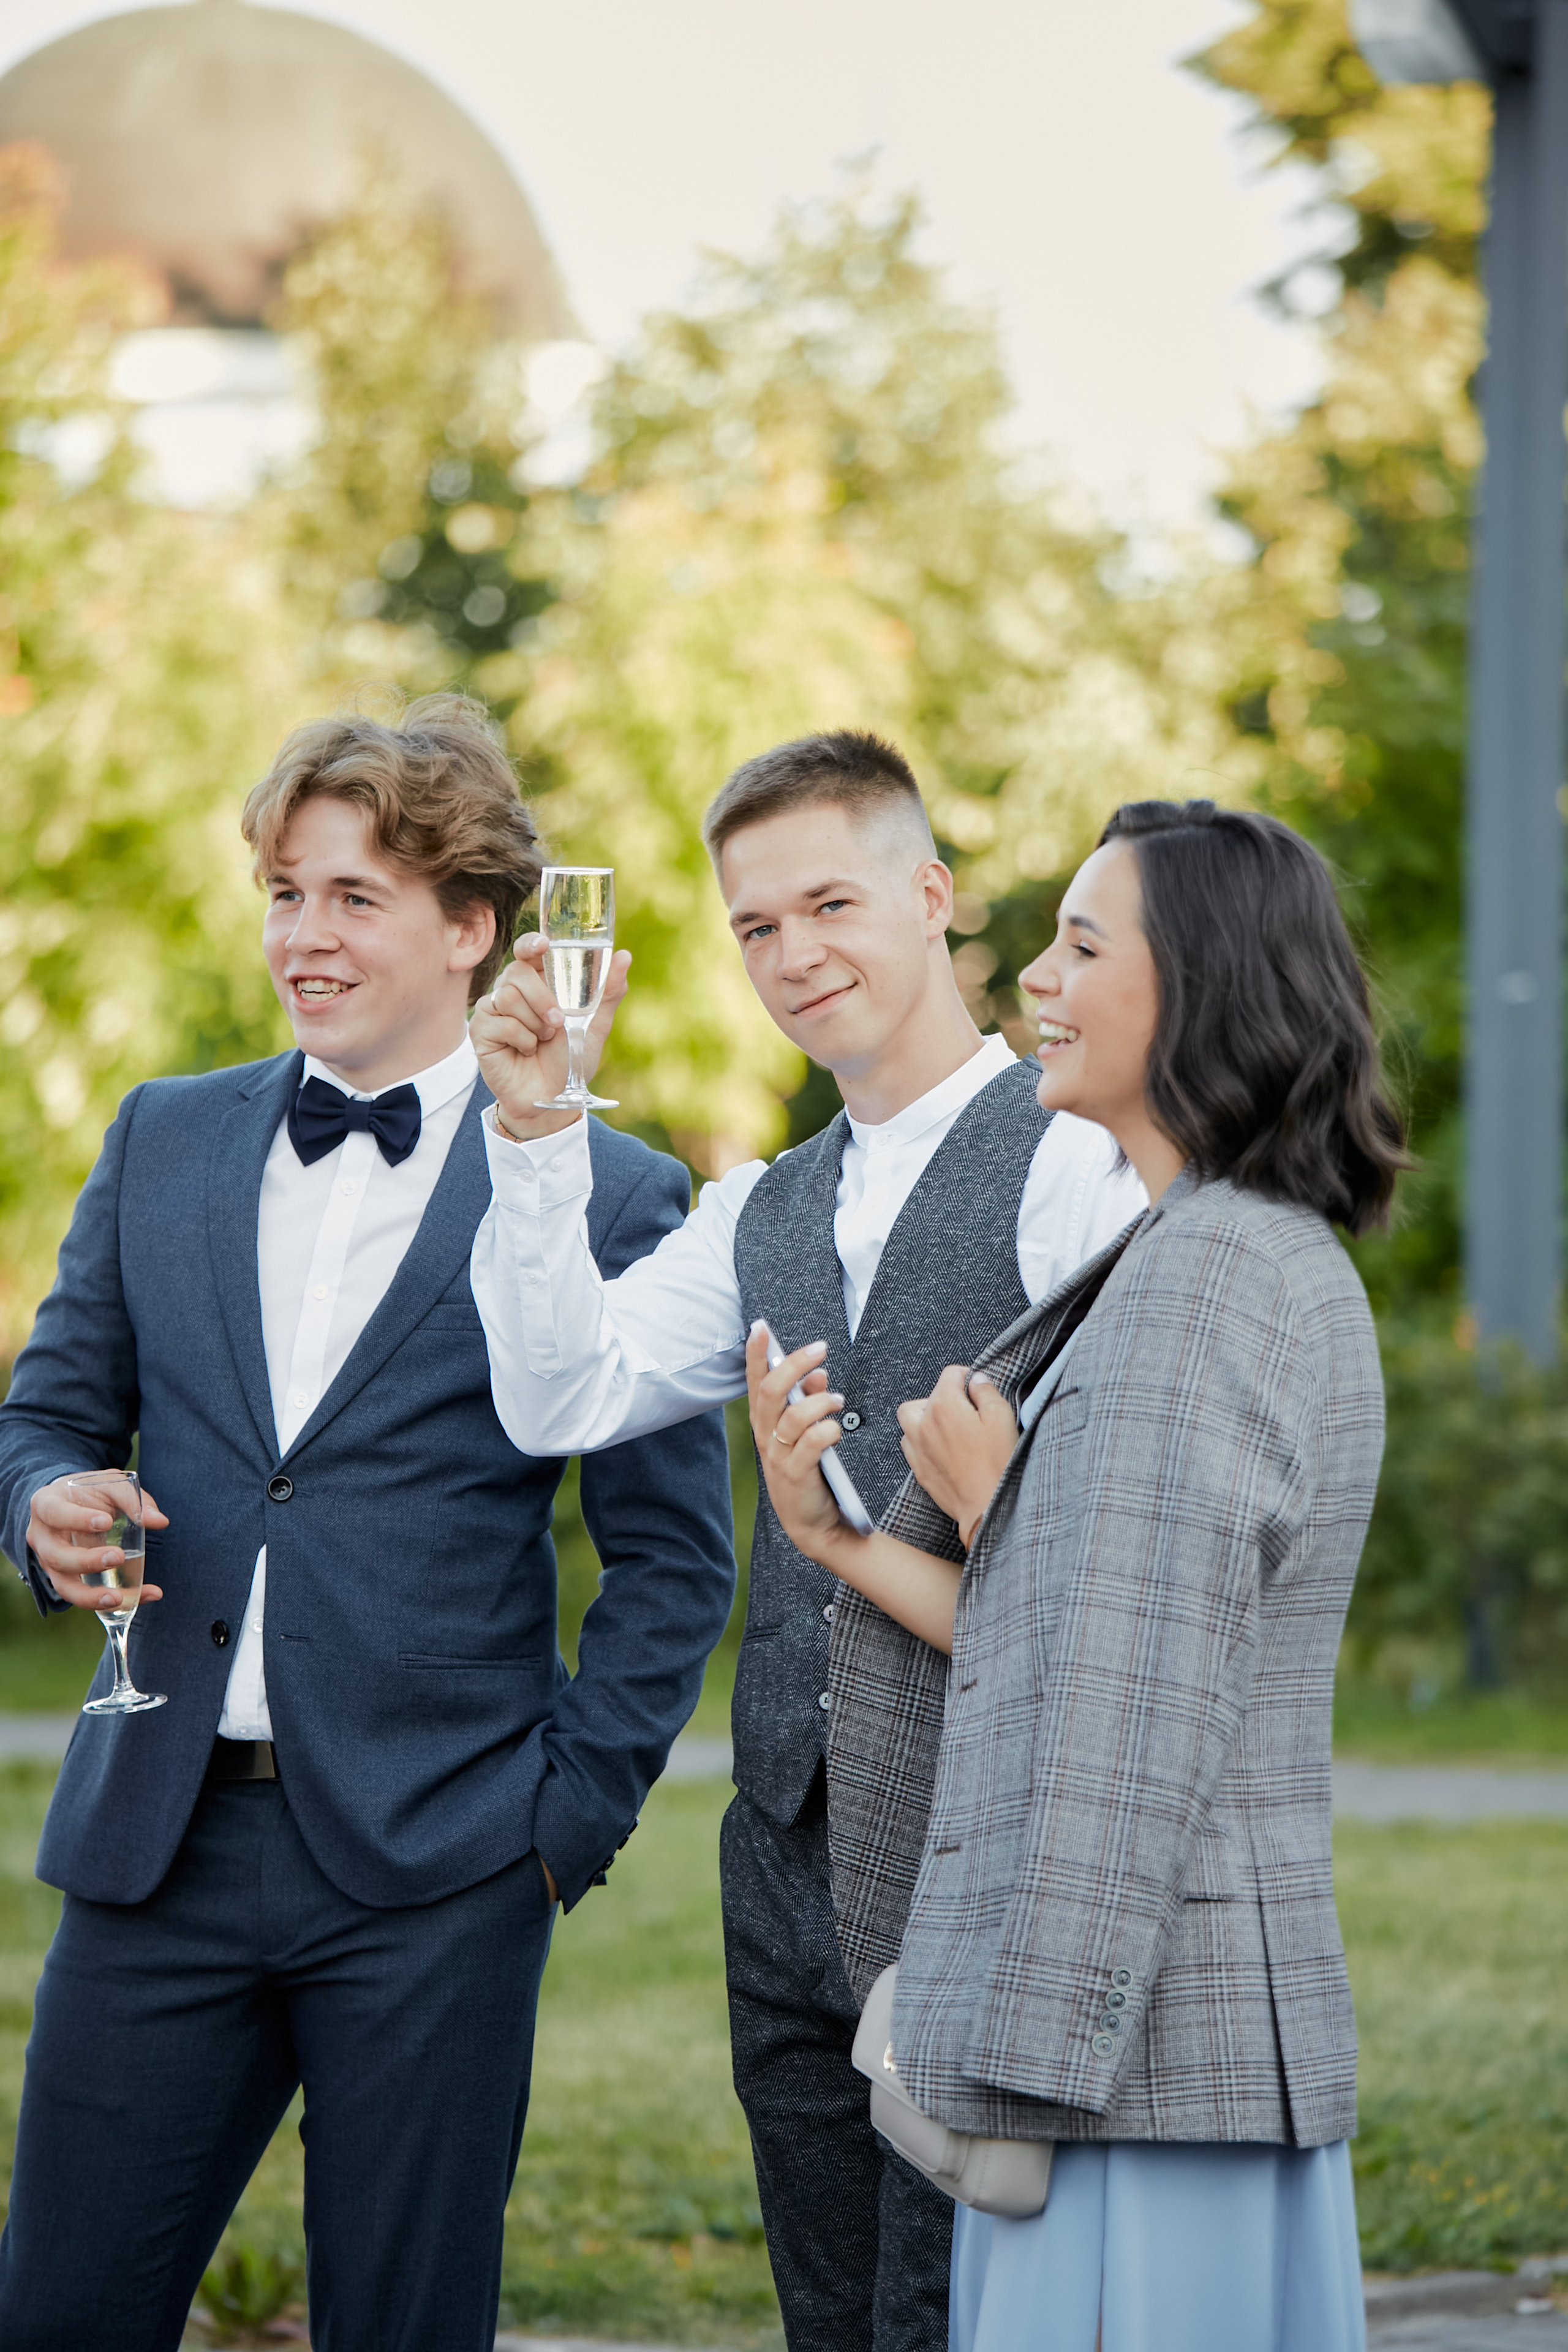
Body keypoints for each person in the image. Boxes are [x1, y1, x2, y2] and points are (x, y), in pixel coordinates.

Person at [0, 696, 736, 2352]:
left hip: (442, 1872)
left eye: (353, 898)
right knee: (56, 2316)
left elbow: (676, 1562)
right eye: (282, 893)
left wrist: (555, 1833)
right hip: (154, 1851)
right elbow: (45, 1411)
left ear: (472, 928)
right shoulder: (161, 1136)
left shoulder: (611, 1195)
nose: (303, 936)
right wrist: (40, 1499)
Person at [467, 729, 1145, 2352]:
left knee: (961, 2314)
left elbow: (1115, 1556)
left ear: (931, 896)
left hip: (988, 1860)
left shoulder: (1078, 1171)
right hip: (780, 1863)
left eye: (828, 903)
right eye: (754, 926)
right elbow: (561, 1396)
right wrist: (542, 1139)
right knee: (833, 2319)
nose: (791, 955)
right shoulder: (753, 1208)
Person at [748, 797, 1406, 2352]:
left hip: (1135, 2077)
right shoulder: (1211, 1250)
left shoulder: (1203, 1283)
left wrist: (1008, 2075)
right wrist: (842, 1542)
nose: (1033, 974)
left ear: (1201, 989)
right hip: (1151, 2059)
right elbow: (1077, 1632)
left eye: (1081, 943)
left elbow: (1119, 1723)